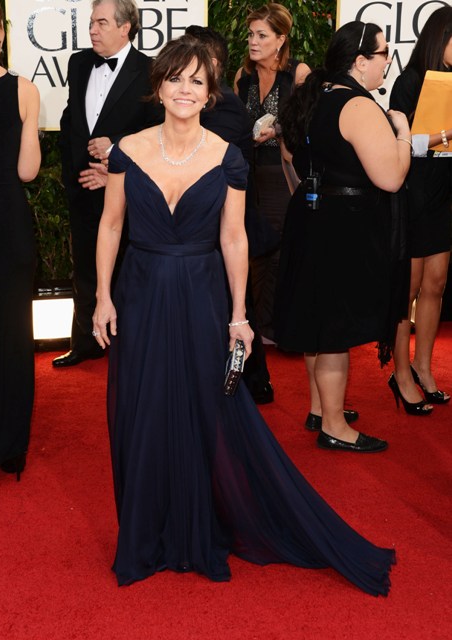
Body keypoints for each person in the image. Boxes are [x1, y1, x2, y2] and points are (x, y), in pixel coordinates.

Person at [92, 35, 396, 596]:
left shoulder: (227, 157)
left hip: (201, 295)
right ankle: (146, 530)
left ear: (210, 93)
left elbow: (234, 239)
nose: (186, 89)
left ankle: (195, 526)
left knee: (201, 407)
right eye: (176, 78)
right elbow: (111, 224)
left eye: (197, 81)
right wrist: (102, 297)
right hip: (141, 293)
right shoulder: (127, 151)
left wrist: (238, 317)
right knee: (142, 409)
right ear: (158, 86)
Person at [274, 22, 411, 452]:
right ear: (361, 61)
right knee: (333, 331)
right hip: (343, 226)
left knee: (317, 321)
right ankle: (335, 426)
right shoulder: (358, 105)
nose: (387, 62)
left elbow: (290, 154)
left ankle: (320, 409)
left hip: (310, 216)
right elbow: (391, 178)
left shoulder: (315, 93)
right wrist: (403, 134)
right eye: (384, 54)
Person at [53, 0, 161, 368]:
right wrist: (73, 173)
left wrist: (114, 152)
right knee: (85, 265)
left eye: (101, 23)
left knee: (129, 268)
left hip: (128, 189)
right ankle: (86, 342)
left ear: (125, 28)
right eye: (91, 22)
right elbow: (71, 120)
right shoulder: (79, 63)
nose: (92, 30)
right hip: (83, 186)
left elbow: (156, 131)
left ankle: (132, 346)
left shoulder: (150, 70)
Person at [185, 24, 274, 404]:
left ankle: (250, 382)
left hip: (224, 227)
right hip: (205, 227)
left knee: (233, 304)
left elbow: (199, 167)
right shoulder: (198, 104)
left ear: (212, 63)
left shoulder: (225, 109)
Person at [0, 0, 41, 493]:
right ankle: (9, 445)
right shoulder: (23, 88)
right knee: (11, 332)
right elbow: (27, 171)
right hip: (4, 224)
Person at [388, 6, 452, 414]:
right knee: (407, 289)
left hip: (444, 194)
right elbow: (400, 143)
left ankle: (424, 368)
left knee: (436, 284)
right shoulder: (409, 81)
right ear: (440, 37)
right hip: (413, 194)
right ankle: (401, 373)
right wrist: (444, 134)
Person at [234, 3, 310, 342]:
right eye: (251, 34)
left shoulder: (298, 73)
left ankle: (271, 324)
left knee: (279, 247)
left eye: (262, 35)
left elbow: (308, 121)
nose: (253, 41)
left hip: (282, 172)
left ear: (281, 39)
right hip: (248, 174)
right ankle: (252, 322)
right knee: (252, 246)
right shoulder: (243, 76)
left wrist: (277, 130)